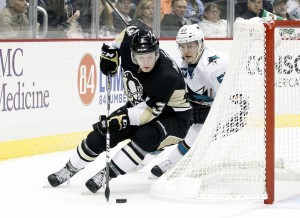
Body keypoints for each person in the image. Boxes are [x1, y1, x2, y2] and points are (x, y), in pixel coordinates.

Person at [47, 26, 192, 193]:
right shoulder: (129, 43)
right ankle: (68, 169)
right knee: (104, 132)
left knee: (144, 136)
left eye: (150, 57)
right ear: (132, 54)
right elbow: (129, 30)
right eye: (141, 57)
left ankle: (106, 174)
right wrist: (111, 49)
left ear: (157, 53)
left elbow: (147, 114)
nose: (146, 62)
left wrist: (122, 119)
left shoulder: (167, 76)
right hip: (140, 106)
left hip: (173, 117)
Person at [150, 24, 229, 178]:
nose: (186, 50)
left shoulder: (216, 65)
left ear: (201, 44)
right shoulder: (180, 64)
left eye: (191, 46)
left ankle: (171, 163)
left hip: (230, 109)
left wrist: (210, 113)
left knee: (197, 129)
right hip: (202, 105)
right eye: (183, 46)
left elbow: (229, 97)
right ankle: (143, 156)